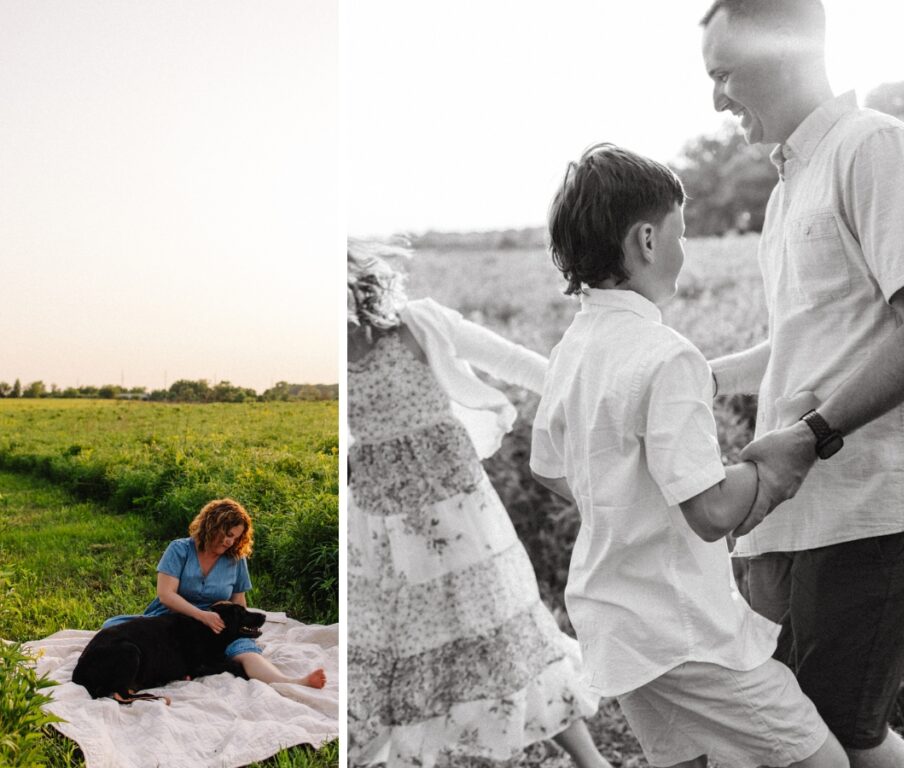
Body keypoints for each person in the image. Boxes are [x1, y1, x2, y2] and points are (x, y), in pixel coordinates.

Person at [699, 2, 904, 767]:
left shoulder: (878, 148)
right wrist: (691, 376)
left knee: (838, 738)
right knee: (798, 736)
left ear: (784, 50)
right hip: (800, 510)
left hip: (874, 507)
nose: (715, 99)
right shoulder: (790, 187)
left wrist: (809, 437)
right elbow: (807, 343)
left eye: (723, 74)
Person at [530, 143, 847, 768]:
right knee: (822, 762)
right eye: (683, 231)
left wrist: (621, 503)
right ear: (648, 240)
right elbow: (710, 513)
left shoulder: (577, 344)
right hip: (683, 630)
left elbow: (547, 467)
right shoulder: (665, 354)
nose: (686, 248)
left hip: (615, 619)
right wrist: (783, 455)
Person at [346, 241, 609, 768]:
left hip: (458, 515)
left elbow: (511, 361)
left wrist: (590, 396)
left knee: (500, 627)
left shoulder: (418, 324)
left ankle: (591, 762)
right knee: (398, 647)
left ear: (357, 287)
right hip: (378, 524)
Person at [101, 497, 326, 688]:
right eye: (227, 533)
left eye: (236, 537)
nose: (230, 541)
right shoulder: (179, 549)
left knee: (244, 648)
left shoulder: (236, 559)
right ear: (211, 525)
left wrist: (234, 625)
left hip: (217, 624)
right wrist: (201, 615)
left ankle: (292, 682)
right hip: (174, 619)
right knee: (114, 626)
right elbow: (166, 595)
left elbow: (239, 601)